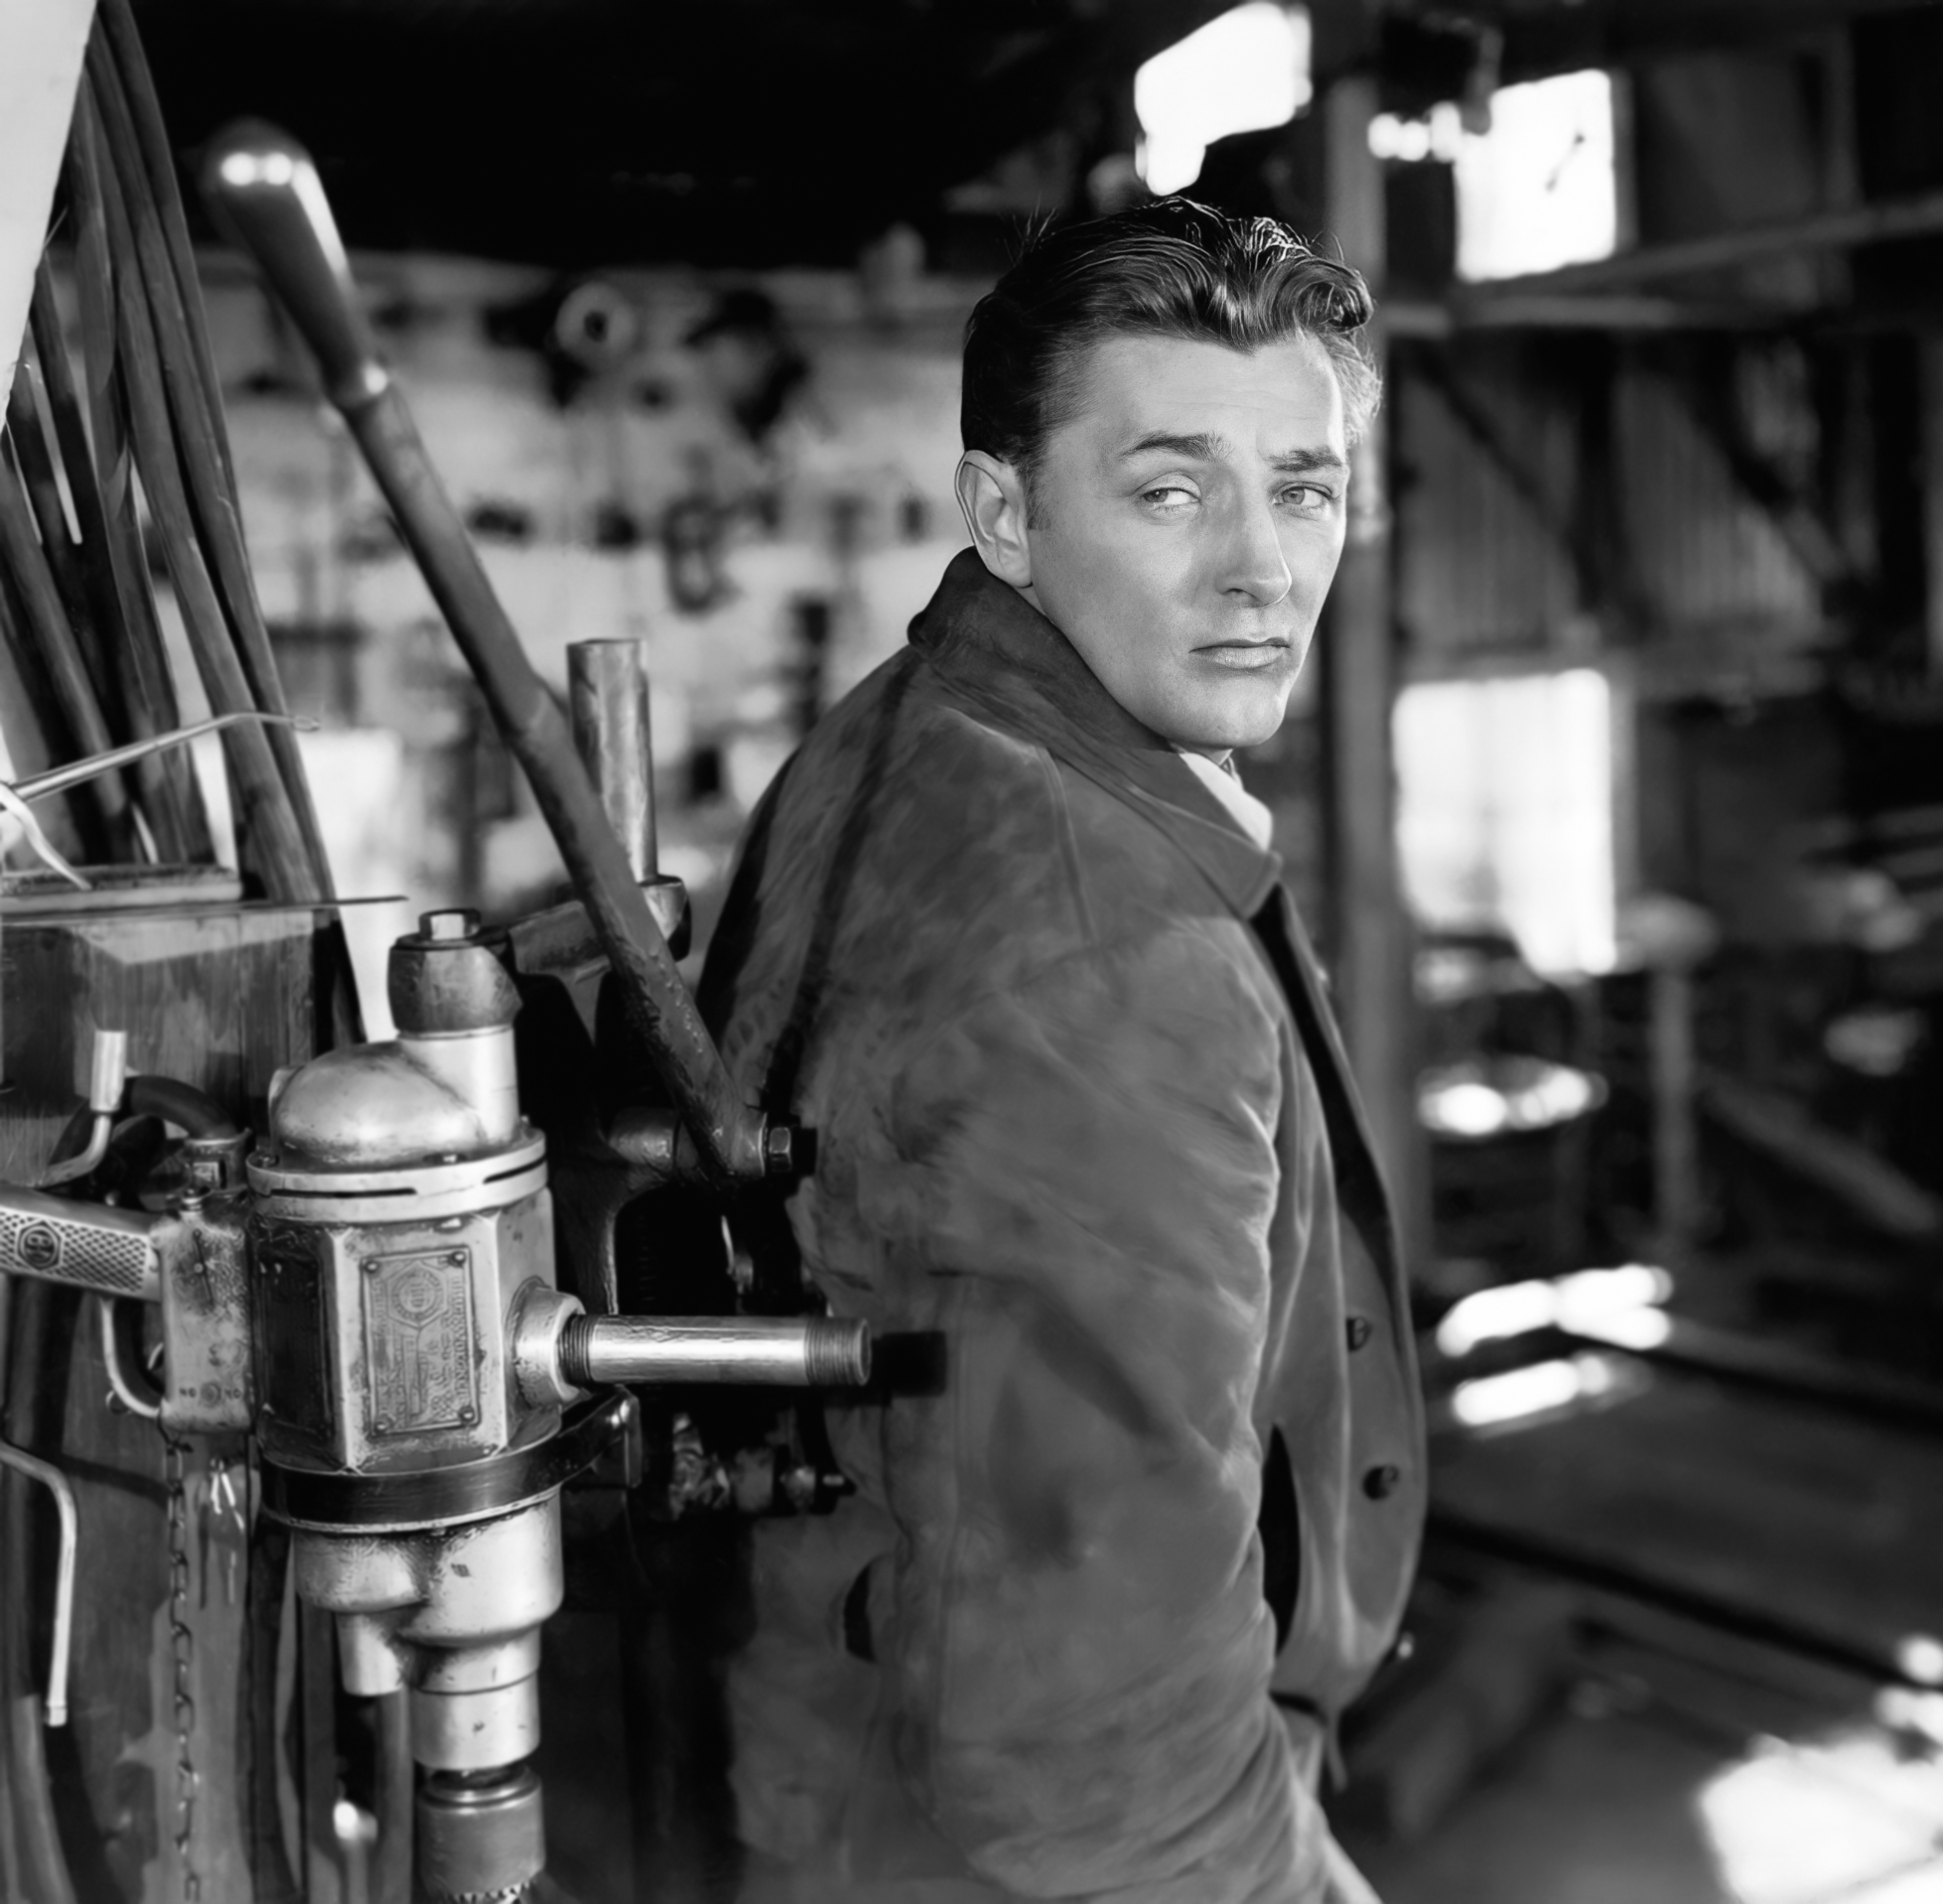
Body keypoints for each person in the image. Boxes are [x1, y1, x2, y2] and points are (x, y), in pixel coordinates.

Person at [698, 198, 1423, 1903]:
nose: (1261, 567)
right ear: (1005, 513)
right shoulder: (1116, 964)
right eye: (1170, 490)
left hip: (824, 1770)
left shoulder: (915, 727)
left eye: (1304, 488)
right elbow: (1105, 1762)